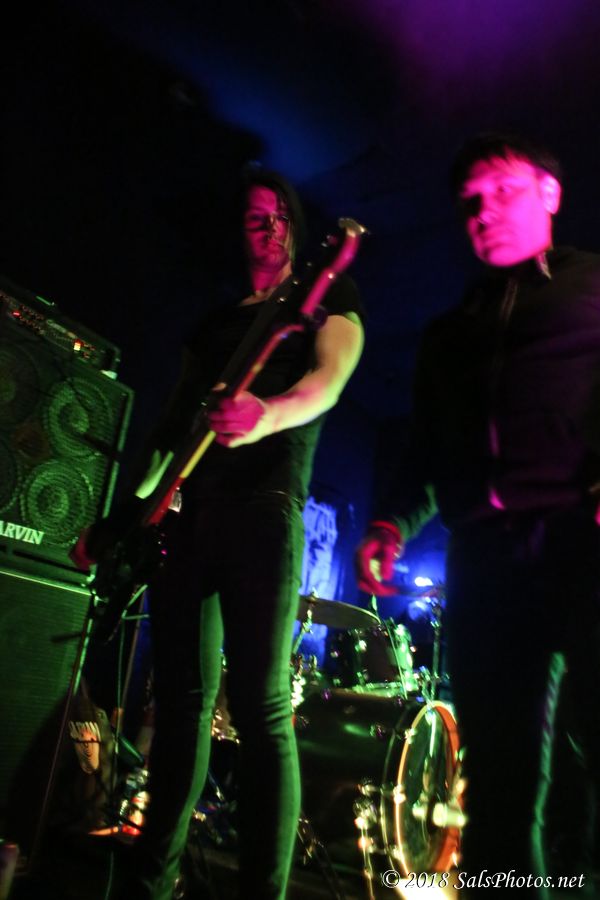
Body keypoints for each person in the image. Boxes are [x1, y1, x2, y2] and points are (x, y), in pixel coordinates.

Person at [75, 168, 364, 899]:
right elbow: (169, 437)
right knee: (180, 705)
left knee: (263, 709)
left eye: (278, 216)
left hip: (264, 510)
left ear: (296, 227)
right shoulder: (214, 327)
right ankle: (152, 880)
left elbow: (327, 383)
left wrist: (266, 415)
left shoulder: (324, 299)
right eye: (253, 218)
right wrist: (117, 524)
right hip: (191, 518)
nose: (266, 228)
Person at [355, 132, 600, 897]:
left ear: (550, 194)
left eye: (504, 191)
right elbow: (426, 451)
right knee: (497, 783)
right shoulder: (449, 332)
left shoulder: (594, 287)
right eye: (470, 202)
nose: (484, 212)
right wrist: (391, 523)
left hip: (581, 543)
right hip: (486, 562)